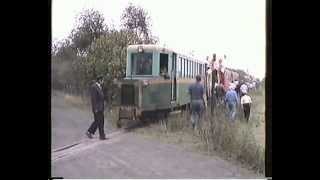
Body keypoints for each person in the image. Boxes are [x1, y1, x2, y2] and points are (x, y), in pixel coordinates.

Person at [86, 76, 107, 140]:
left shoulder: (100, 87)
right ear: (100, 80)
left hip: (100, 107)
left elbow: (102, 97)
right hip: (97, 108)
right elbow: (93, 99)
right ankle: (102, 136)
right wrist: (95, 108)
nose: (103, 81)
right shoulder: (94, 87)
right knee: (100, 121)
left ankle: (89, 132)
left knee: (98, 121)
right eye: (102, 80)